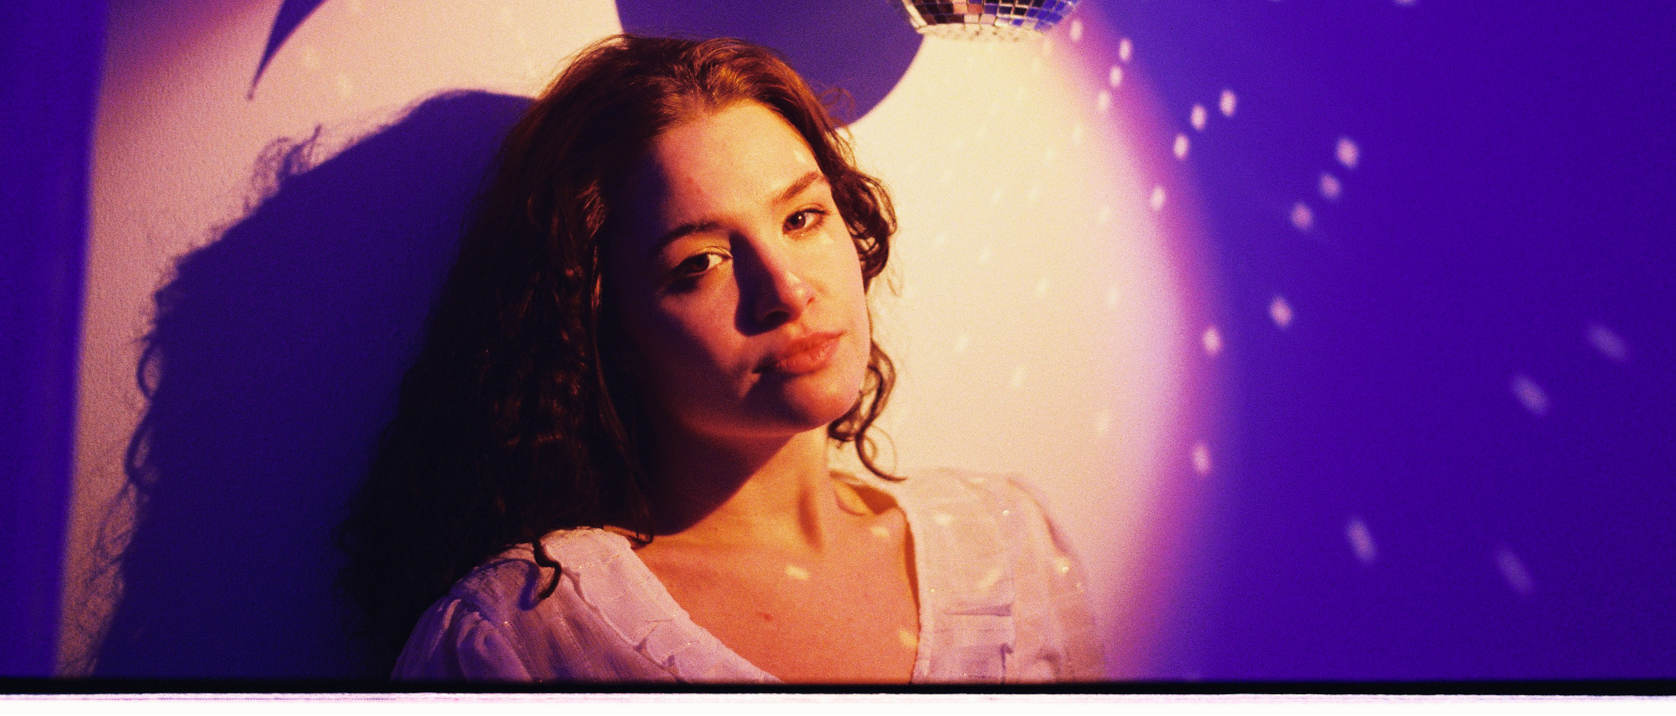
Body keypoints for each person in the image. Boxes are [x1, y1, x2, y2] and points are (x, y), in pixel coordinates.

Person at [338, 34, 1103, 683]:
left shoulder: (1007, 546)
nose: (786, 290)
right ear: (600, 325)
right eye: (699, 262)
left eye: (802, 217)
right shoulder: (527, 634)